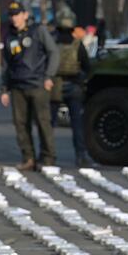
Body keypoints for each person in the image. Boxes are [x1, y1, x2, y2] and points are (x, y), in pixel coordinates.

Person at [0, 1, 59, 170]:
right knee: (20, 124)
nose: (14, 19)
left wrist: (49, 76)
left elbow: (53, 52)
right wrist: (5, 88)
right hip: (18, 86)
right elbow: (7, 65)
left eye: (17, 14)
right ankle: (28, 158)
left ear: (25, 15)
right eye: (11, 15)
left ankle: (47, 157)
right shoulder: (9, 36)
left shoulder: (38, 31)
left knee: (42, 122)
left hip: (38, 84)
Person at [51, 11, 92, 167]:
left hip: (55, 85)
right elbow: (87, 66)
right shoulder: (77, 44)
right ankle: (81, 156)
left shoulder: (53, 44)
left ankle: (48, 155)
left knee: (50, 123)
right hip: (74, 85)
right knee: (77, 124)